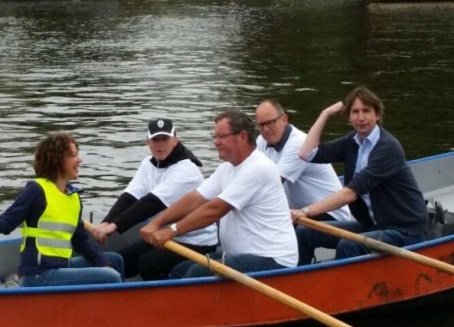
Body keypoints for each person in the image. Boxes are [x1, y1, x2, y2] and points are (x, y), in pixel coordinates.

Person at [140, 108, 298, 278]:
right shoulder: (227, 168)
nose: (216, 142)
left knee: (195, 273)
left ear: (242, 136)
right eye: (215, 137)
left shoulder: (258, 167)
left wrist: (172, 230)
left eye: (222, 136)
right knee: (180, 271)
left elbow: (215, 209)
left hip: (272, 260)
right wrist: (157, 223)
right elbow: (196, 198)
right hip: (242, 256)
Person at [291, 86, 428, 263]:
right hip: (373, 225)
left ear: (377, 115)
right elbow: (307, 154)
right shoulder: (352, 142)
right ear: (349, 117)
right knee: (305, 232)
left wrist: (305, 211)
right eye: (355, 112)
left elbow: (350, 193)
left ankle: (340, 288)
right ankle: (300, 280)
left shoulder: (387, 147)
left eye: (366, 111)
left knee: (348, 245)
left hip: (405, 231)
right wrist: (325, 114)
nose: (361, 117)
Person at [90, 118, 218, 280]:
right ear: (148, 142)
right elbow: (130, 196)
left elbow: (151, 203)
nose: (160, 144)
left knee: (148, 264)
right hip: (162, 236)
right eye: (155, 140)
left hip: (196, 242)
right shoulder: (147, 165)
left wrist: (114, 226)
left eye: (165, 139)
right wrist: (106, 222)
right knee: (119, 261)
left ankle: (165, 302)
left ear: (175, 141)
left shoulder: (186, 170)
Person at [0, 132, 124, 287]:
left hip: (61, 267)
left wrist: (102, 261)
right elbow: (5, 224)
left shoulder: (73, 196)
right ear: (57, 160)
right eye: (73, 155)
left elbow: (80, 240)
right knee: (109, 277)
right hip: (38, 274)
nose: (79, 160)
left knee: (115, 261)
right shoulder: (36, 190)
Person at [255, 99, 351, 221]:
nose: (266, 130)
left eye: (270, 123)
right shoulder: (261, 141)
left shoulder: (298, 143)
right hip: (298, 214)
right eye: (261, 125)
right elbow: (253, 175)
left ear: (284, 119)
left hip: (331, 215)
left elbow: (271, 185)